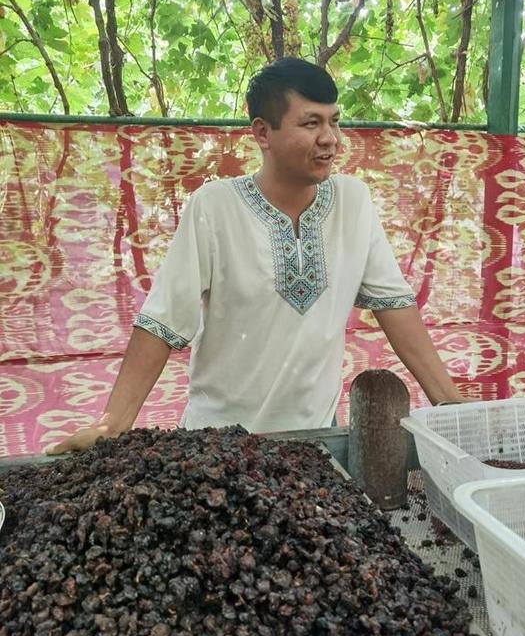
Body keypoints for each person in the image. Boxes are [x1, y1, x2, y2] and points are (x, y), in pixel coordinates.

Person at [45, 58, 464, 455]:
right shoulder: (214, 207)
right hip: (214, 449)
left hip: (314, 447)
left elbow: (395, 306)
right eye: (311, 123)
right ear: (262, 133)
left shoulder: (352, 202)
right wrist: (112, 425)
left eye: (335, 121)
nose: (330, 139)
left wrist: (454, 411)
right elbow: (161, 321)